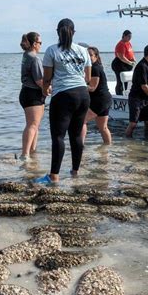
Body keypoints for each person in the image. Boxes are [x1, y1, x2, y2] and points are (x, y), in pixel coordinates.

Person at [35, 18, 92, 184]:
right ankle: (75, 171)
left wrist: (45, 91)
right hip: (83, 94)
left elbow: (47, 78)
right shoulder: (84, 51)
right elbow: (87, 78)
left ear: (57, 32)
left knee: (58, 136)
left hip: (63, 95)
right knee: (76, 135)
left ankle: (54, 175)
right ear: (73, 32)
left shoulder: (52, 50)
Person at [19, 32, 45, 160]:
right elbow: (40, 80)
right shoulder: (34, 58)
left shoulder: (26, 55)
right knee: (32, 125)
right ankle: (25, 154)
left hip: (26, 92)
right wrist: (50, 89)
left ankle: (32, 152)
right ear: (34, 44)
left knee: (35, 125)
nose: (41, 45)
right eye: (40, 43)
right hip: (32, 93)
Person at [81, 46, 112, 145]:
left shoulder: (94, 68)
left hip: (100, 100)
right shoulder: (96, 66)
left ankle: (79, 146)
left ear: (96, 56)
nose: (88, 57)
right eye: (86, 55)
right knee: (103, 127)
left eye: (90, 55)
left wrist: (78, 85)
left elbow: (92, 87)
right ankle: (107, 148)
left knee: (81, 121)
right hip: (105, 99)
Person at [111, 29, 135, 95]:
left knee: (126, 80)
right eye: (129, 36)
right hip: (119, 64)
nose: (130, 38)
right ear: (124, 36)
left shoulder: (128, 43)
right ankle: (119, 94)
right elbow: (121, 57)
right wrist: (129, 62)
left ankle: (125, 93)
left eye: (131, 37)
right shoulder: (120, 44)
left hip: (127, 64)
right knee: (121, 80)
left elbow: (131, 52)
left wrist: (133, 59)